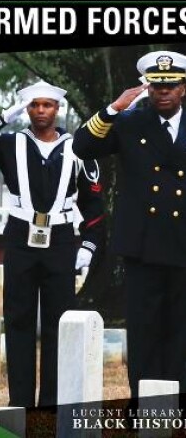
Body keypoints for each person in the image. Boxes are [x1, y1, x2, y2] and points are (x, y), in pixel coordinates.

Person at [0, 80, 105, 408]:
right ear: (27, 109)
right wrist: (2, 117)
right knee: (19, 320)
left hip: (62, 241)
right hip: (21, 238)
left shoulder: (79, 147)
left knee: (60, 323)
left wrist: (89, 246)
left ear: (57, 109)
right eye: (34, 105)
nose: (41, 111)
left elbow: (95, 206)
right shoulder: (11, 143)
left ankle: (51, 404)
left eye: (47, 105)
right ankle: (21, 404)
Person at [72, 50, 186, 399]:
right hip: (142, 244)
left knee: (182, 331)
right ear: (147, 87)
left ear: (184, 87)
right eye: (156, 85)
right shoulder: (130, 121)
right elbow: (83, 145)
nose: (163, 92)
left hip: (183, 243)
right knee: (145, 329)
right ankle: (147, 404)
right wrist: (113, 108)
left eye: (171, 85)